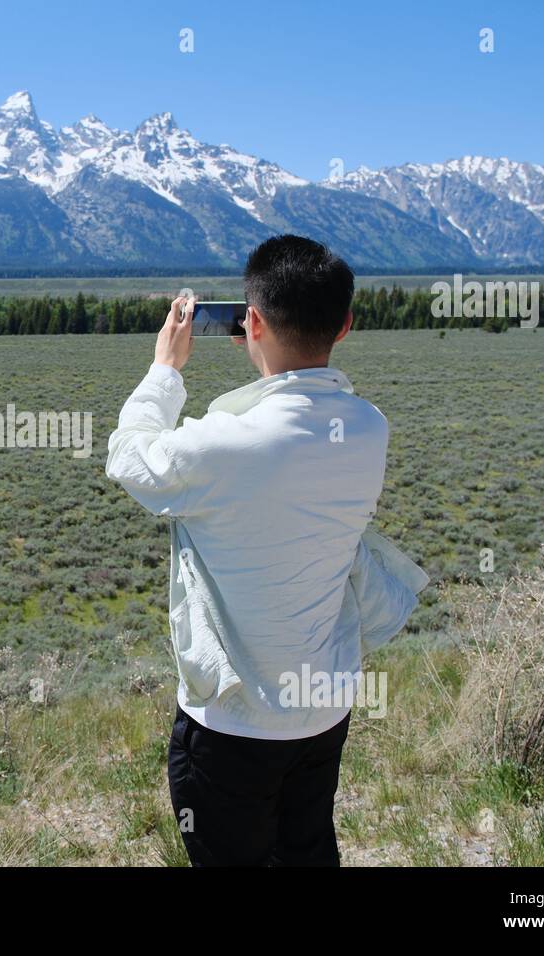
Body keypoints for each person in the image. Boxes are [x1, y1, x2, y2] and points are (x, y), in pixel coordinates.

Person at [105, 235, 424, 866]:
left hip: (235, 721)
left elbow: (127, 455)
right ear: (346, 324)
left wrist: (165, 370)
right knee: (306, 850)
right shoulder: (368, 426)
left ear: (251, 321)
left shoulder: (225, 444)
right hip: (323, 707)